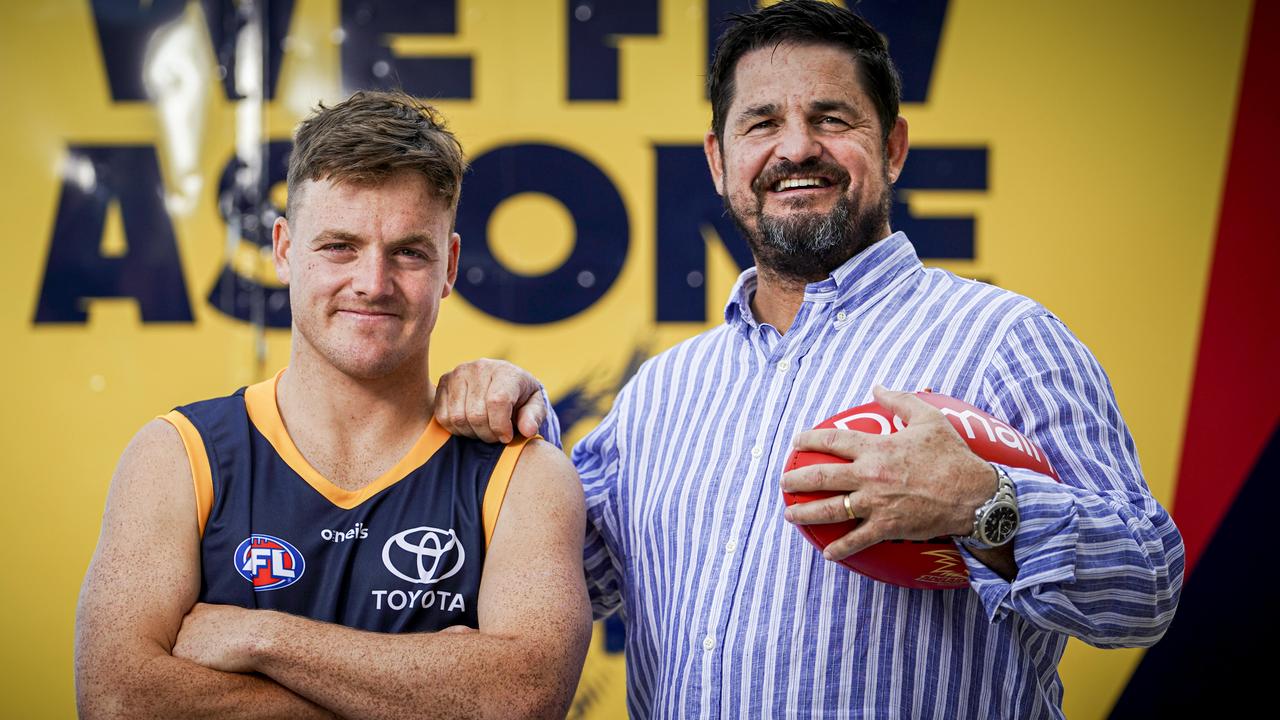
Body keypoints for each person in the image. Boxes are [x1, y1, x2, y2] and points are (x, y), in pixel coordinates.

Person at [435, 1, 1184, 717]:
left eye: (831, 118)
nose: (795, 148)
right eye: (761, 123)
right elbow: (548, 576)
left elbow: (1148, 591)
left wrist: (982, 503)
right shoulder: (664, 390)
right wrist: (510, 423)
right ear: (719, 160)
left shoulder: (1005, 340)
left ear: (891, 147)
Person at [74, 91, 591, 720]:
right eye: (339, 246)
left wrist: (260, 640)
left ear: (449, 265)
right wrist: (423, 692)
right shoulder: (178, 456)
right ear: (285, 251)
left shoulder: (523, 475)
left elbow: (518, 700)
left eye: (408, 251)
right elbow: (118, 699)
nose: (373, 283)